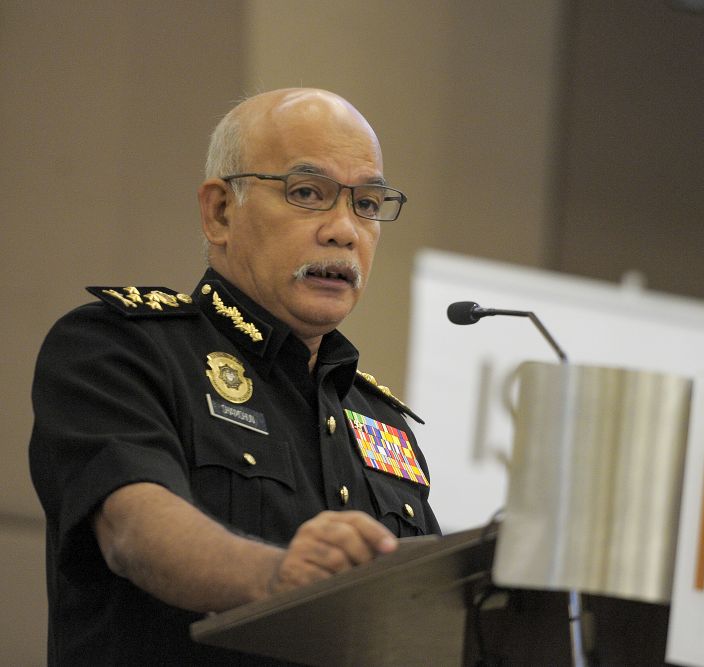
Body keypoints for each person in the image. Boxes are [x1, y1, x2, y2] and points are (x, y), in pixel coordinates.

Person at [29, 88, 440, 664]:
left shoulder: (381, 422)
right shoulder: (118, 348)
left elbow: (428, 611)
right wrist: (282, 579)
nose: (344, 231)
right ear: (220, 211)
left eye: (367, 205)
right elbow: (133, 531)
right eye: (307, 193)